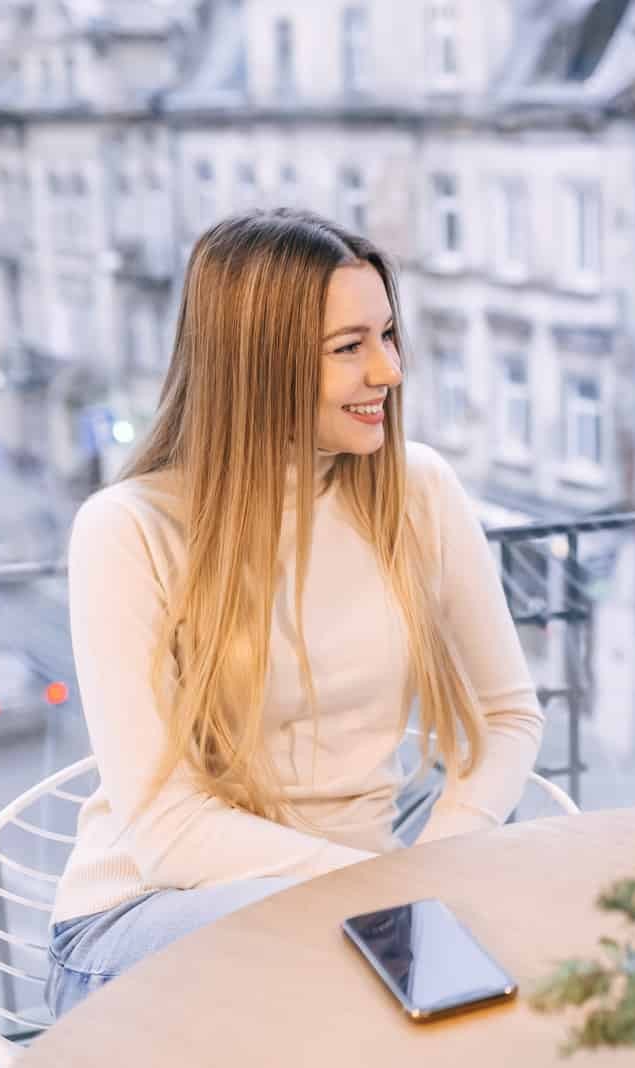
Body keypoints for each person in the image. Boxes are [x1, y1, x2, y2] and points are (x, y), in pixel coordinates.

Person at [44, 209, 543, 1017]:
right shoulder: (129, 529)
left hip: (360, 903)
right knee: (354, 985)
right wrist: (386, 892)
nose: (388, 372)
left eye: (387, 336)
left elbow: (509, 715)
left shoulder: (418, 492)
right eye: (349, 348)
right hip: (146, 916)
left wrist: (435, 864)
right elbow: (168, 828)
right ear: (256, 365)